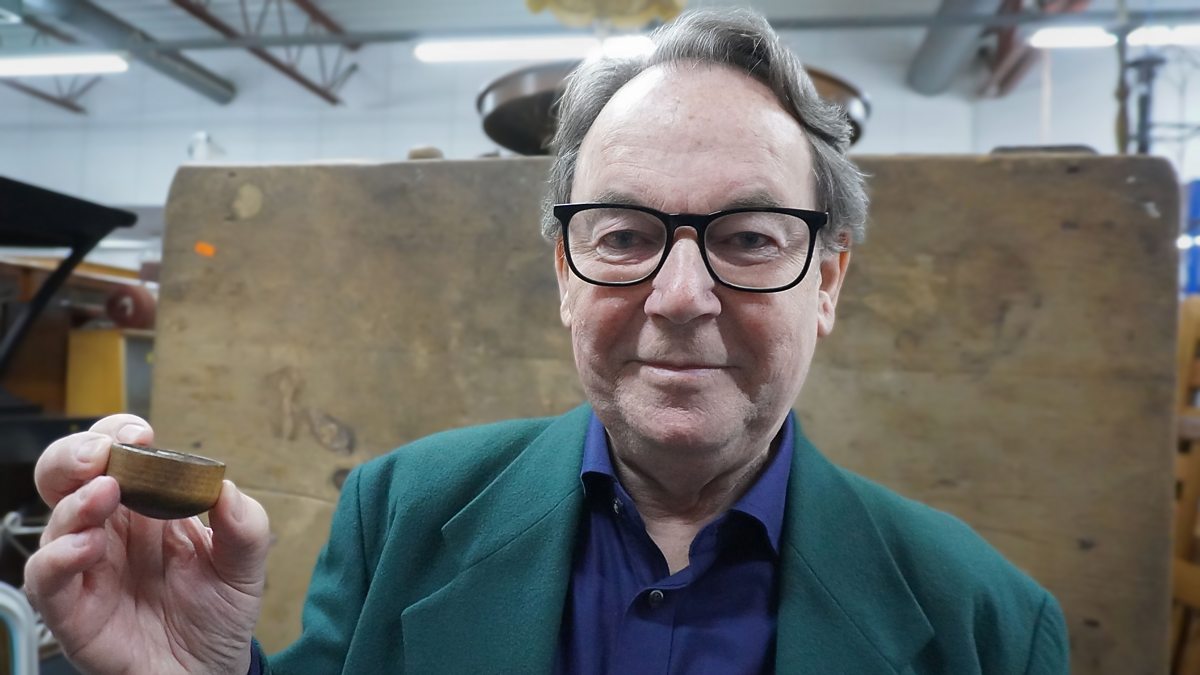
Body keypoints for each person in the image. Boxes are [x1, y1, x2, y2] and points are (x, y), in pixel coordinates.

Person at [24, 8, 1068, 674]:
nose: (681, 297)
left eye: (750, 237)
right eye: (625, 236)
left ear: (827, 281)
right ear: (566, 272)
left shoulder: (986, 623)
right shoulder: (403, 514)